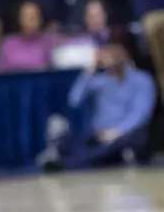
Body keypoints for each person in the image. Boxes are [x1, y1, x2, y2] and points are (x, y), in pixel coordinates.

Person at [40, 37, 156, 171]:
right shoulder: (100, 81)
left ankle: (66, 164)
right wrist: (89, 72)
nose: (110, 60)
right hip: (99, 134)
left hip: (127, 133)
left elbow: (141, 113)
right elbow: (74, 100)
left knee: (122, 143)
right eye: (106, 56)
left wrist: (117, 132)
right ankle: (72, 158)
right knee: (73, 142)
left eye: (113, 56)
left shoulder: (141, 80)